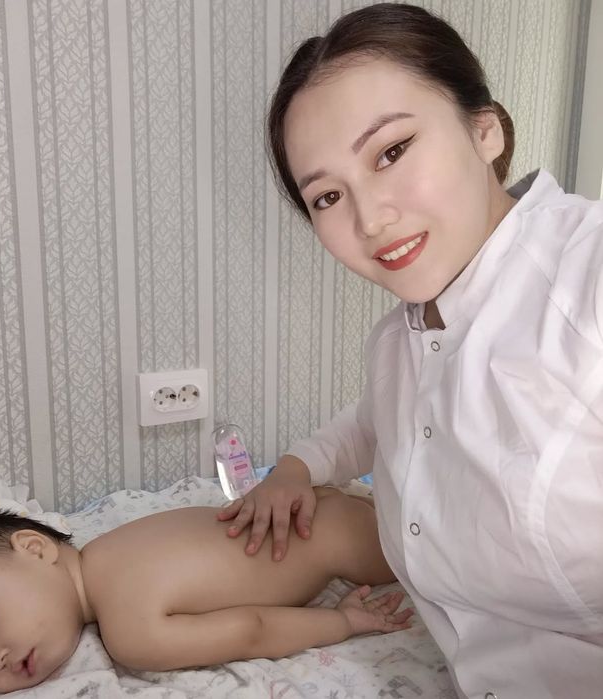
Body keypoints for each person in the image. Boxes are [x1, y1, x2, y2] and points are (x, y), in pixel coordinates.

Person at [217, 4, 603, 698]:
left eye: (391, 152)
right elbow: (381, 420)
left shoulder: (586, 275)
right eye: (327, 196)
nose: (370, 220)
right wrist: (297, 467)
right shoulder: (402, 340)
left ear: (484, 129)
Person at [0, 487, 412, 694]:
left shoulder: (130, 631)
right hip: (311, 503)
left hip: (349, 544)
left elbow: (252, 630)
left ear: (36, 548)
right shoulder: (107, 545)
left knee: (436, 553)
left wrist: (342, 622)